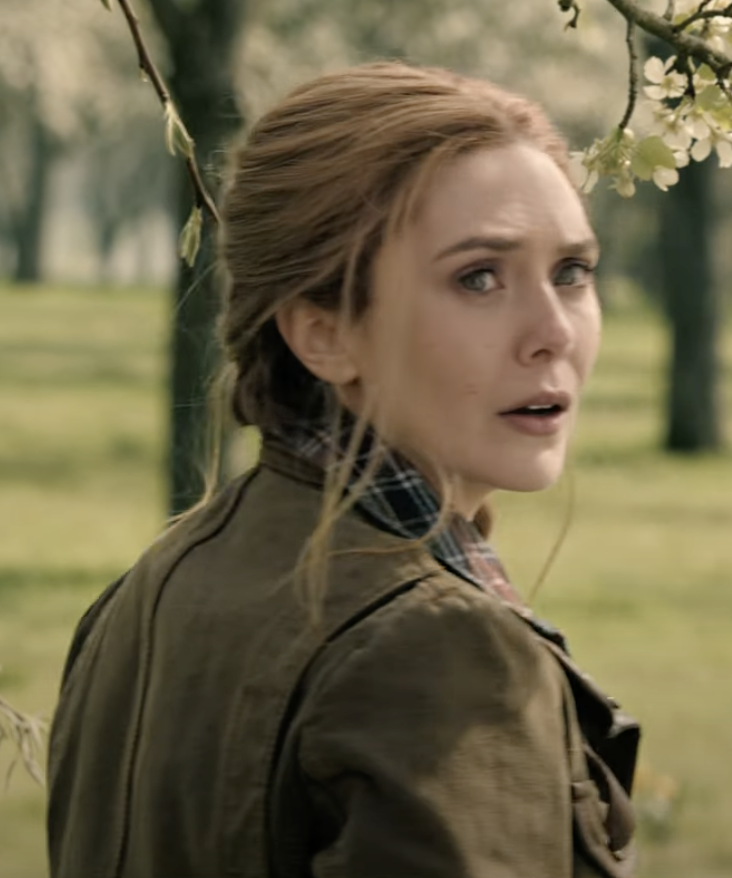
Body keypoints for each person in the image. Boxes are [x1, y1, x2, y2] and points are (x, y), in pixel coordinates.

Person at [45, 62, 639, 878]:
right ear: (322, 333)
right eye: (479, 277)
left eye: (571, 271)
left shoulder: (157, 582)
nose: (553, 332)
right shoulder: (438, 651)